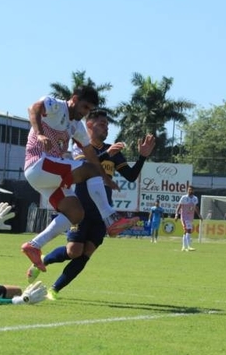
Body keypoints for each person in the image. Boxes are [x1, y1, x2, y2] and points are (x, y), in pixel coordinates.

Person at [26, 109, 155, 299]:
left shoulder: (114, 151)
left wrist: (143, 156)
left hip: (102, 213)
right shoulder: (80, 146)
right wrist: (106, 154)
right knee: (73, 251)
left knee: (86, 253)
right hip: (82, 208)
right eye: (102, 124)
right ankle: (43, 259)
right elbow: (87, 165)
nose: (106, 128)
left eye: (108, 125)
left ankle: (54, 289)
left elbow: (131, 175)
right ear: (89, 125)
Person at [21, 86, 139, 272]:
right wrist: (40, 132)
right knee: (89, 169)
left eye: (88, 110)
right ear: (74, 99)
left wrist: (105, 179)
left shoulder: (76, 126)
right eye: (84, 107)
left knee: (76, 213)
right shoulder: (56, 105)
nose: (85, 113)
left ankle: (34, 245)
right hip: (38, 163)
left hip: (44, 176)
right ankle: (110, 218)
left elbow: (89, 152)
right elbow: (33, 108)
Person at [175, 185, 202, 252]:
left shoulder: (195, 198)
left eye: (191, 190)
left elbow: (196, 208)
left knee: (186, 231)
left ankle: (184, 247)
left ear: (193, 190)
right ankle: (189, 246)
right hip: (184, 217)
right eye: (189, 189)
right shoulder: (184, 197)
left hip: (190, 217)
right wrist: (176, 215)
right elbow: (179, 206)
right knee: (188, 230)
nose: (190, 191)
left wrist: (199, 215)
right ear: (187, 190)